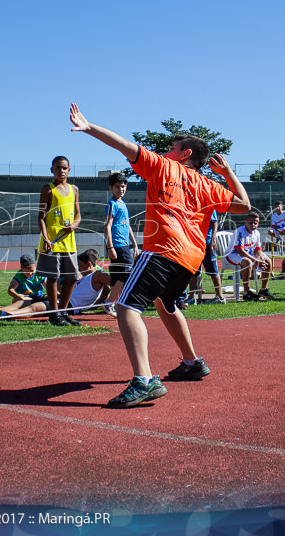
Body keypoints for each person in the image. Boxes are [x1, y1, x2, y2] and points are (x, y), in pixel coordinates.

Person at [69, 103, 250, 408]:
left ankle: (143, 381)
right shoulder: (209, 185)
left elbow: (123, 144)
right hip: (191, 257)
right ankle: (192, 363)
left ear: (185, 154)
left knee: (126, 307)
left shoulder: (162, 166)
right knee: (165, 304)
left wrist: (89, 128)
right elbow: (244, 204)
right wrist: (228, 172)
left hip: (165, 248)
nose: (168, 149)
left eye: (173, 146)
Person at [37, 156, 83, 327]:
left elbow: (78, 214)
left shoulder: (74, 190)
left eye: (64, 168)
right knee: (53, 277)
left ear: (69, 170)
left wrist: (75, 224)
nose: (61, 171)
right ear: (52, 170)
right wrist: (46, 238)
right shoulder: (48, 190)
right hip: (52, 241)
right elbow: (40, 217)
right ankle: (54, 314)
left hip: (69, 242)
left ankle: (63, 312)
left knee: (71, 277)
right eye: (58, 168)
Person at [104, 171, 139, 307]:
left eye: (123, 186)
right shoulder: (112, 204)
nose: (121, 189)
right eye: (117, 186)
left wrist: (135, 245)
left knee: (117, 275)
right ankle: (110, 302)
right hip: (117, 245)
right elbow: (107, 226)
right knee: (128, 272)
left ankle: (113, 304)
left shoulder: (123, 204)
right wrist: (110, 247)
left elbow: (128, 225)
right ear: (111, 188)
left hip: (124, 244)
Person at [224, 211, 274, 301]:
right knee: (247, 262)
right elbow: (240, 251)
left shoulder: (257, 233)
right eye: (250, 223)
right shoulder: (240, 231)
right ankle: (247, 292)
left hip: (246, 255)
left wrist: (261, 259)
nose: (253, 225)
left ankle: (264, 289)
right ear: (245, 222)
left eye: (255, 223)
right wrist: (256, 261)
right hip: (232, 254)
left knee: (267, 261)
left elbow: (258, 250)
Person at [191, 210, 226, 304]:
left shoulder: (209, 206)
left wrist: (213, 240)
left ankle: (220, 297)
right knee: (193, 271)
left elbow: (215, 223)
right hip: (195, 244)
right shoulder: (193, 205)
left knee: (213, 271)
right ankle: (191, 296)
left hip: (207, 243)